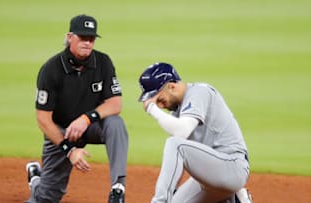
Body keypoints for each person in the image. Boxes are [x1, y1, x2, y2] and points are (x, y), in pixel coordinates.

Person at [25, 14, 128, 203]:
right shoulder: (51, 69)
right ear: (70, 37)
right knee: (46, 198)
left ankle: (118, 188)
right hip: (61, 131)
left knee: (115, 124)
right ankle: (37, 179)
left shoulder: (103, 62)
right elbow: (43, 119)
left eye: (91, 39)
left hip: (91, 127)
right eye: (83, 37)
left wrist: (86, 118)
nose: (88, 42)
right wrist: (70, 150)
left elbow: (115, 103)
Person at [138, 62, 253, 203]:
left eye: (160, 100)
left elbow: (181, 133)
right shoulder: (177, 114)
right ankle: (234, 199)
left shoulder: (199, 92)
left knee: (175, 144)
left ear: (172, 86)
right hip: (209, 179)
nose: (160, 106)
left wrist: (151, 109)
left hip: (232, 168)